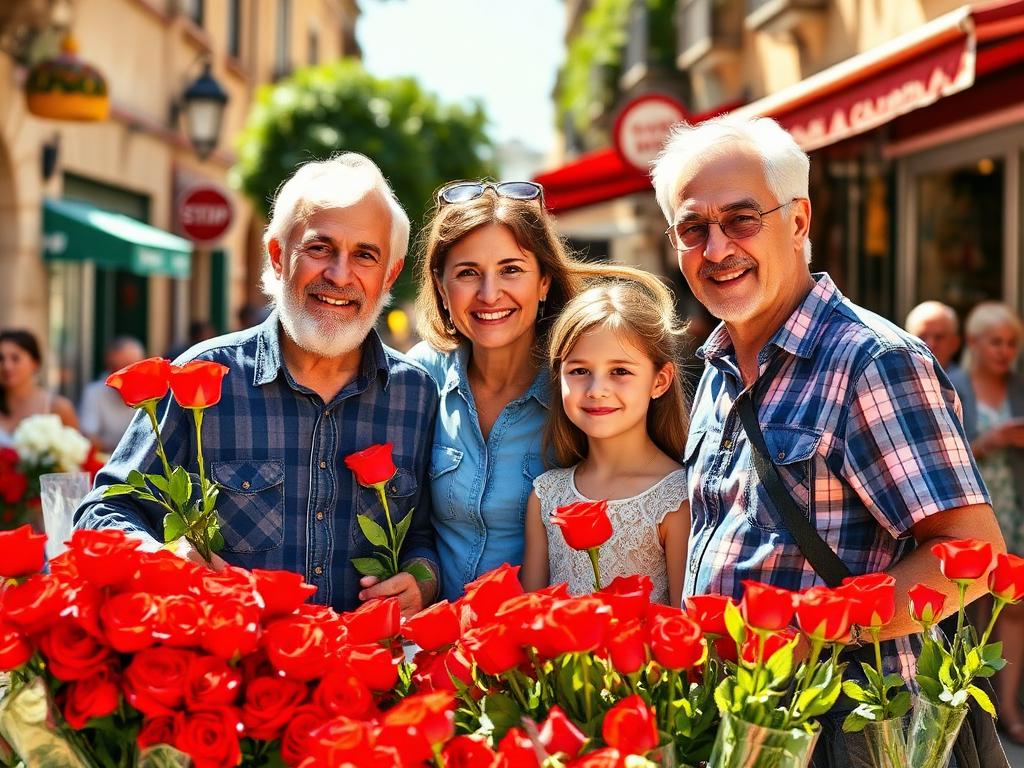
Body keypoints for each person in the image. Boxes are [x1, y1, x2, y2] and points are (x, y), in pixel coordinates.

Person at [651, 115, 1004, 766]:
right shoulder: (716, 371)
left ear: (799, 221)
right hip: (739, 726)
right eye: (693, 229)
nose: (718, 248)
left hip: (848, 728)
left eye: (742, 219)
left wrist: (815, 627)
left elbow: (974, 553)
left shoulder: (872, 361)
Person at [75, 154, 439, 617]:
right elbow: (102, 515)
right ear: (276, 256)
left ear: (389, 274)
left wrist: (421, 582)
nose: (340, 275)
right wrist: (168, 559)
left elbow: (424, 535)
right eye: (319, 247)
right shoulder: (202, 378)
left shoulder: (417, 396)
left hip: (365, 676)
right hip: (233, 676)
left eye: (365, 255)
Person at [410, 180, 672, 602]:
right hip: (439, 645)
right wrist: (418, 576)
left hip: (543, 651)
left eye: (511, 269)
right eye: (467, 273)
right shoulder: (418, 379)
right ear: (441, 287)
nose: (489, 293)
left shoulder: (584, 389)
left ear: (545, 281)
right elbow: (408, 524)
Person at [521, 280, 689, 606]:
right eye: (580, 370)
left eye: (620, 371)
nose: (597, 389)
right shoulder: (546, 495)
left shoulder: (677, 498)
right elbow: (531, 619)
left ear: (659, 380)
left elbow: (685, 627)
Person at [947, 302, 1024, 744]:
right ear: (974, 343)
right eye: (996, 342)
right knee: (968, 609)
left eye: (1012, 343)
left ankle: (1007, 709)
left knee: (1012, 609)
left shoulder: (1020, 388)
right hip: (972, 512)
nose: (1005, 351)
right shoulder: (952, 385)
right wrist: (991, 442)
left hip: (1013, 509)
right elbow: (941, 461)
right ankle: (968, 711)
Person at [0, 329, 78, 445]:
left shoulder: (58, 408)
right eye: (1, 359)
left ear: (35, 363)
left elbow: (78, 456)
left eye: (15, 358)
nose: (7, 366)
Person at [79, 336, 146, 452]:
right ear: (109, 368)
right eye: (118, 368)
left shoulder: (158, 392)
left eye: (132, 366)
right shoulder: (95, 392)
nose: (126, 374)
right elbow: (87, 436)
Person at [905, 300, 962, 372]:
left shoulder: (966, 382)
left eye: (939, 337)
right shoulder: (893, 380)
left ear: (954, 343)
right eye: (922, 338)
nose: (930, 345)